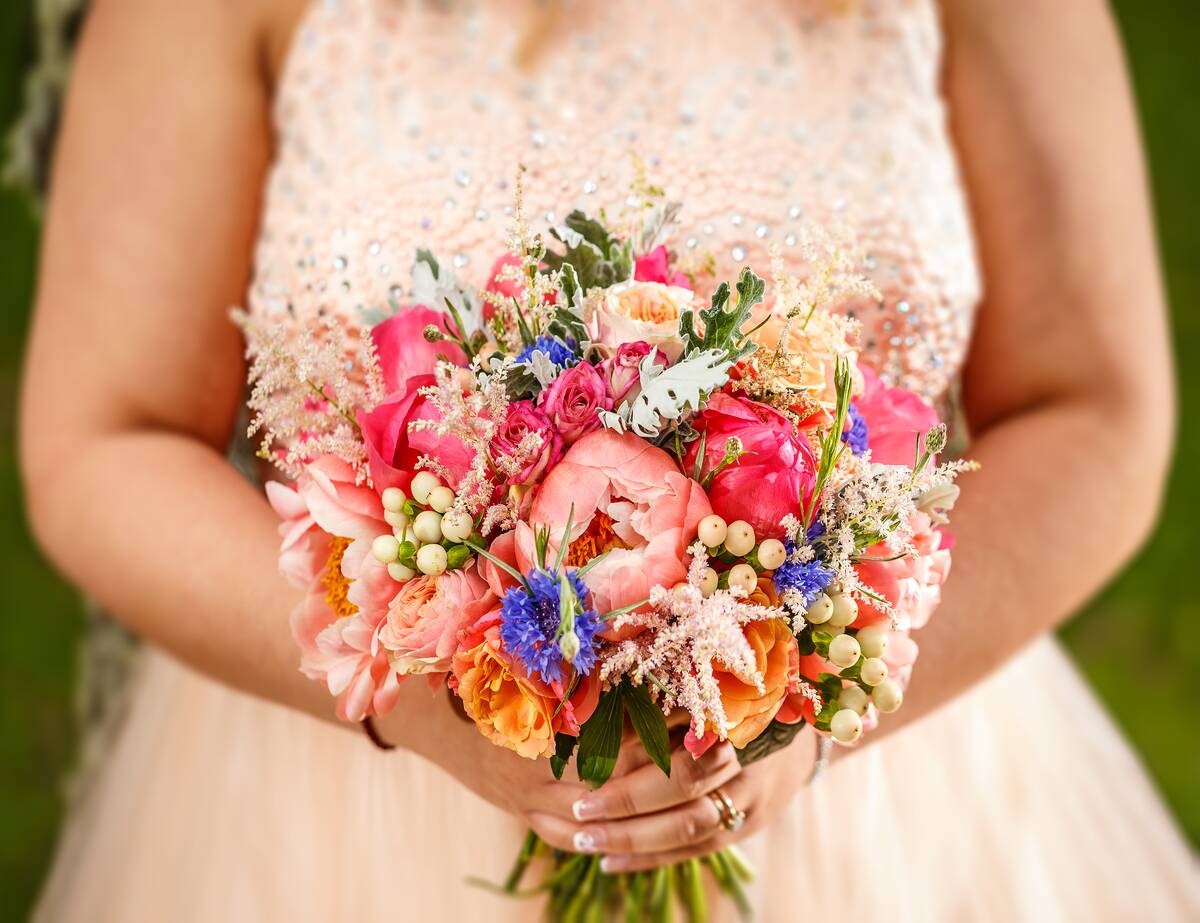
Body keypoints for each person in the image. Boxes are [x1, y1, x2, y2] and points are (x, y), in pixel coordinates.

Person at [19, 0, 1198, 920]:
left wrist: (822, 706)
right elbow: (105, 437)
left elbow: (1093, 406)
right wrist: (420, 696)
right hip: (357, 808)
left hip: (894, 804)